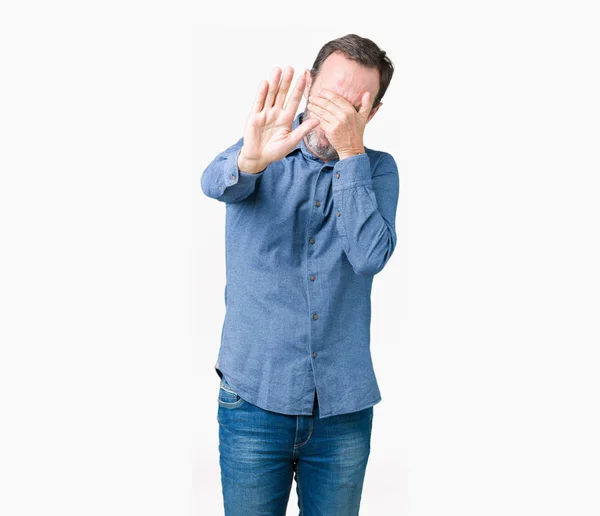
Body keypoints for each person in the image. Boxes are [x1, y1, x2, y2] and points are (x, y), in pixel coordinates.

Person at [200, 33, 399, 516]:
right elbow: (214, 181)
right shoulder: (264, 146)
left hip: (341, 412)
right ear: (309, 85)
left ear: (370, 115)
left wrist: (351, 157)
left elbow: (371, 255)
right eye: (329, 95)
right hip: (253, 400)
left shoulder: (378, 171)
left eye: (353, 105)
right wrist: (250, 160)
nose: (335, 113)